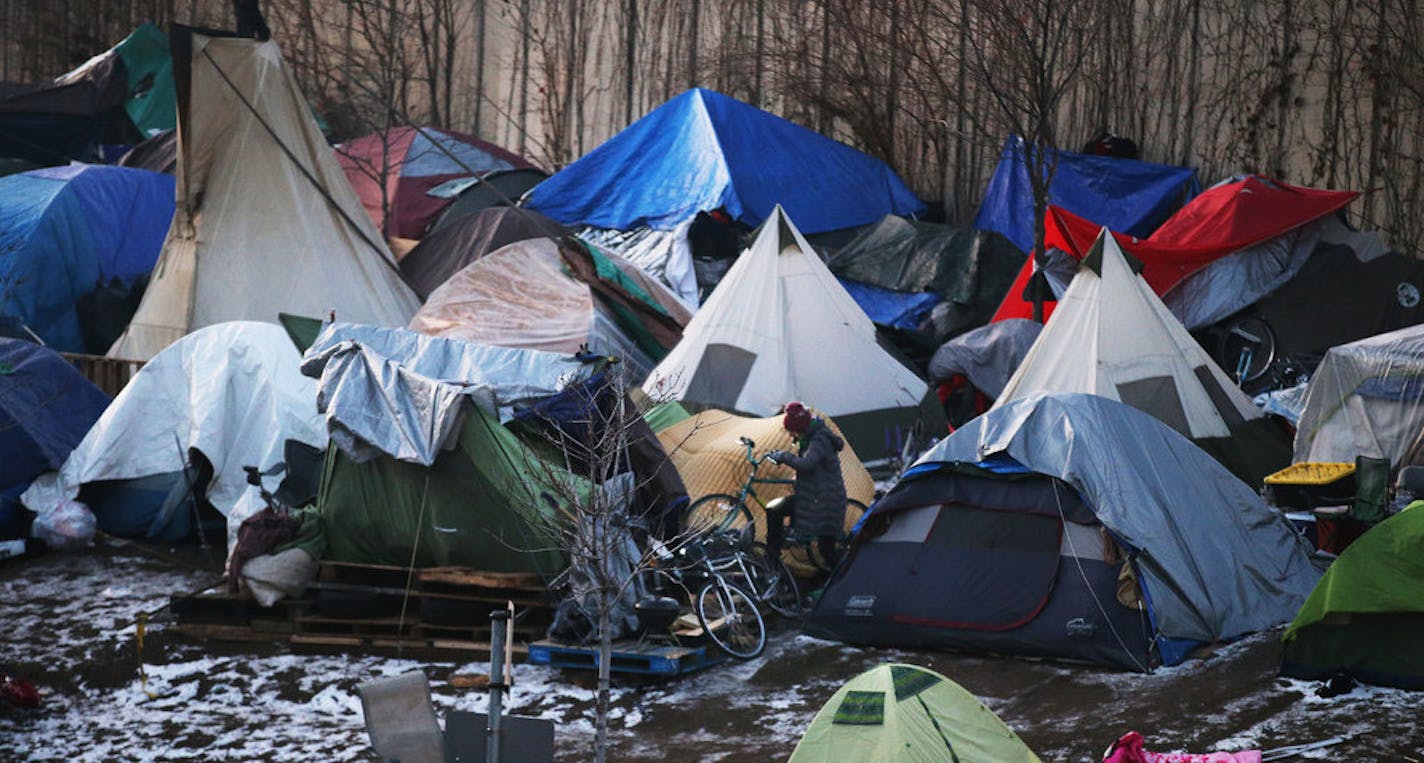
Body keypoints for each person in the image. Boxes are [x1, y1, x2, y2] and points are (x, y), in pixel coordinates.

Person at [764, 402, 847, 569]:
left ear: (800, 429)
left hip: (824, 501)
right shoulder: (812, 436)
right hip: (813, 496)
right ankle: (773, 557)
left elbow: (808, 464)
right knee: (774, 509)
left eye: (793, 432)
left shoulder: (819, 440)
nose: (792, 436)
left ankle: (843, 578)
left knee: (827, 550)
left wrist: (785, 456)